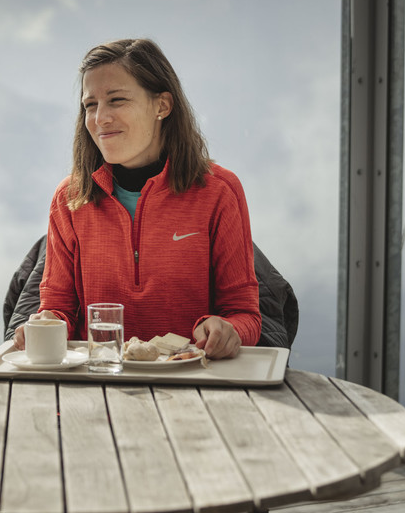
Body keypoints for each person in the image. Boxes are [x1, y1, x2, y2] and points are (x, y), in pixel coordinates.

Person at [14, 38, 259, 359]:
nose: (100, 117)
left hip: (193, 383)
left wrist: (229, 329)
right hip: (99, 382)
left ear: (162, 106)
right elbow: (58, 309)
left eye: (116, 100)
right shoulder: (69, 198)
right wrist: (46, 322)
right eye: (90, 105)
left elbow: (246, 316)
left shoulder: (220, 191)